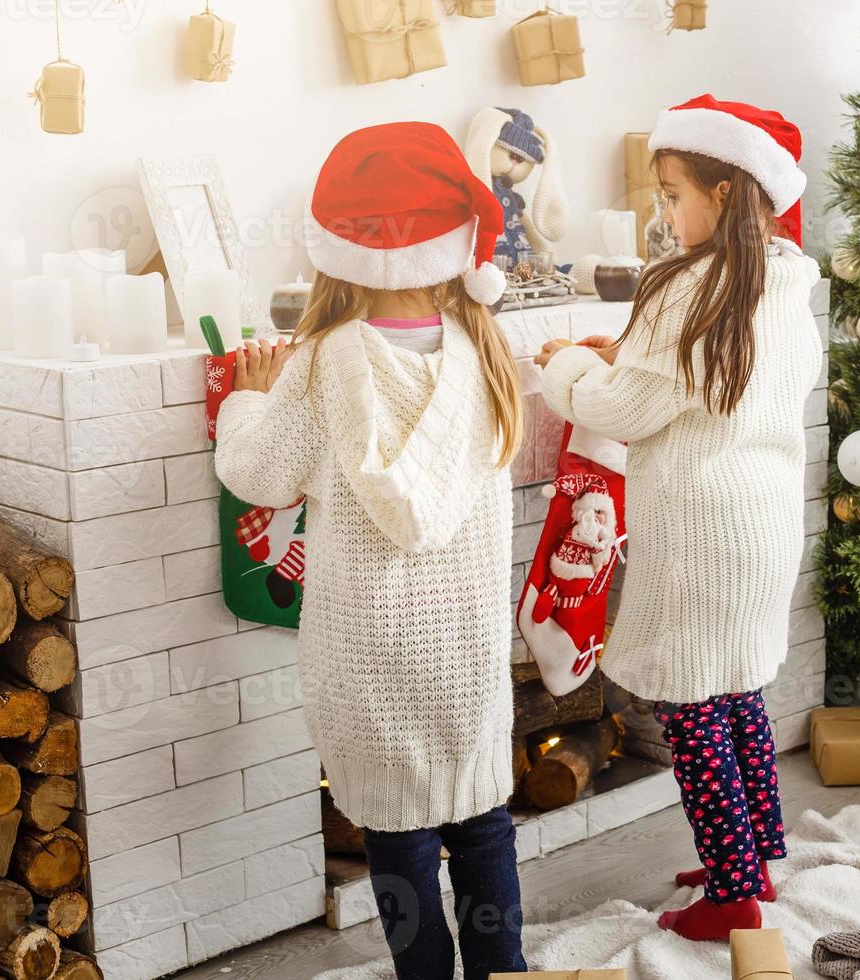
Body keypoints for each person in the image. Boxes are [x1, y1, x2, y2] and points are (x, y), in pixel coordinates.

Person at [214, 121, 527, 980]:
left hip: (370, 663)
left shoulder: (318, 365)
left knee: (400, 838)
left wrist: (245, 400)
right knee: (482, 823)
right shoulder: (486, 354)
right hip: (464, 654)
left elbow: (257, 474)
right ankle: (506, 971)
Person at [533, 94, 823, 941]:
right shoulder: (782, 282)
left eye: (670, 194)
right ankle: (758, 851)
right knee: (738, 690)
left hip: (701, 535)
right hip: (765, 529)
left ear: (725, 193)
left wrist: (569, 366)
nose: (662, 214)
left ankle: (734, 896)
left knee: (693, 710)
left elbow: (627, 407)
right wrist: (625, 357)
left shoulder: (688, 291)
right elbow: (698, 384)